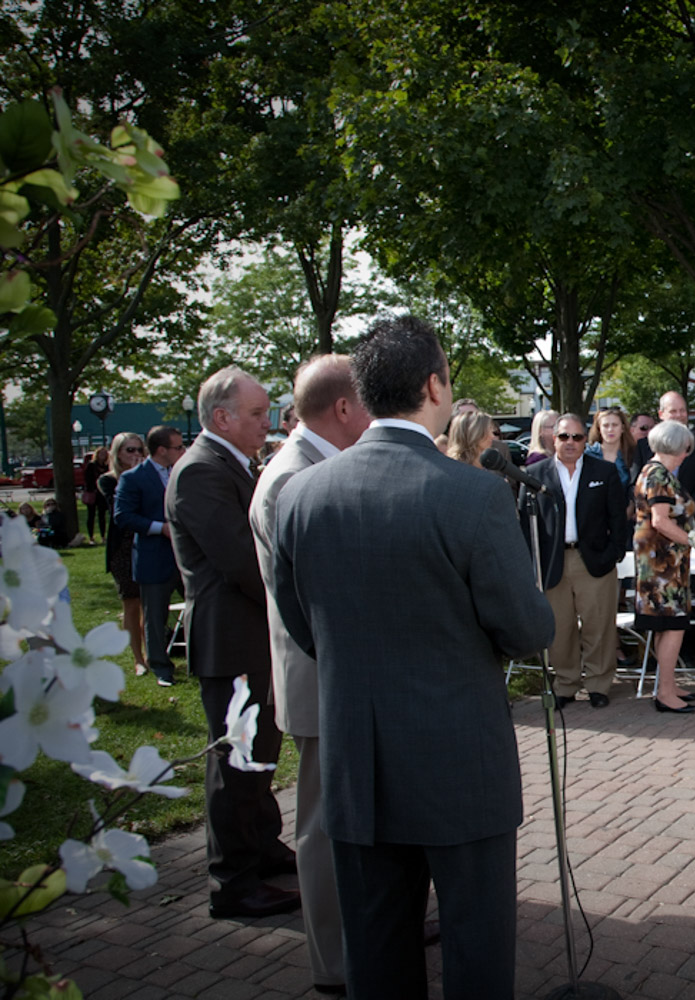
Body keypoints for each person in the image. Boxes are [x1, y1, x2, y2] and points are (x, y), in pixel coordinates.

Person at [270, 315, 553, 999]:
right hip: (459, 761)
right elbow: (526, 628)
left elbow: (304, 624)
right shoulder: (476, 494)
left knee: (376, 955)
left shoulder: (301, 493)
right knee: (476, 952)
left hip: (357, 763)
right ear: (433, 384)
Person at [249, 355, 370, 995]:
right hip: (320, 680)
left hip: (337, 677)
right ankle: (336, 963)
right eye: (371, 401)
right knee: (324, 828)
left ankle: (364, 941)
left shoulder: (315, 465)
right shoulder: (292, 477)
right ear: (345, 408)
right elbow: (317, 598)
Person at [166, 366, 298, 919]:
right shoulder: (200, 472)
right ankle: (233, 881)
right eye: (256, 413)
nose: (266, 422)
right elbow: (244, 562)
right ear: (221, 417)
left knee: (260, 757)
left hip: (250, 637)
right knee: (237, 761)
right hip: (231, 639)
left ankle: (261, 849)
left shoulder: (230, 465)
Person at [522, 413, 631, 708]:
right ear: (552, 438)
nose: (570, 443)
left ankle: (599, 684)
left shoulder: (604, 471)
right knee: (560, 628)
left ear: (586, 439)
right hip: (553, 562)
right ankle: (566, 684)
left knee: (599, 626)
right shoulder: (535, 474)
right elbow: (523, 522)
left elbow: (618, 518)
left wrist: (614, 552)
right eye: (563, 436)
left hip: (594, 561)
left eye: (577, 437)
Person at [633, 420, 695, 713]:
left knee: (668, 627)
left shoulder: (656, 472)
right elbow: (662, 521)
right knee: (673, 626)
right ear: (677, 447)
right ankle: (665, 693)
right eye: (686, 449)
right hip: (661, 567)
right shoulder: (658, 475)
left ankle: (667, 684)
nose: (687, 455)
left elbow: (675, 519)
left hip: (665, 564)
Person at [114, 425, 186, 687]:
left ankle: (201, 659)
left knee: (201, 605)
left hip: (185, 555)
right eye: (178, 447)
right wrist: (159, 528)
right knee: (155, 616)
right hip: (154, 556)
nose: (182, 450)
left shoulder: (182, 472)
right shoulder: (133, 478)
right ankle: (160, 667)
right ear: (161, 450)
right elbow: (123, 516)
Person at [98, 433, 148, 676]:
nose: (136, 455)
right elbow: (118, 508)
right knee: (131, 604)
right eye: (129, 450)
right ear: (117, 453)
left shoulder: (150, 475)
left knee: (149, 603)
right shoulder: (107, 481)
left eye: (139, 449)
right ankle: (138, 658)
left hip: (147, 544)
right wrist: (132, 478)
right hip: (123, 548)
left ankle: (153, 652)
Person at [636, 390, 695, 506]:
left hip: (694, 514)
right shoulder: (644, 445)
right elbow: (636, 483)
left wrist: (687, 505)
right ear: (661, 414)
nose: (679, 415)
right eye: (673, 411)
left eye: (682, 410)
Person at [585, 406, 633, 486]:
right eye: (606, 425)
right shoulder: (588, 454)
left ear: (623, 428)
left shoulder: (633, 455)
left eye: (615, 425)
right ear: (599, 429)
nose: (610, 429)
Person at [83, 445, 110, 542]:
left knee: (102, 516)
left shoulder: (107, 466)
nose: (102, 456)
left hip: (102, 495)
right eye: (100, 454)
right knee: (91, 515)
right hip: (93, 494)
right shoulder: (91, 465)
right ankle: (91, 537)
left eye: (104, 454)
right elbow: (87, 479)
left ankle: (103, 536)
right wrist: (93, 488)